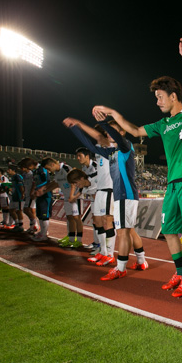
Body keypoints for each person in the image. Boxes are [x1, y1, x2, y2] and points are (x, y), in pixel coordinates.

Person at [92, 35, 182, 298]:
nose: (157, 101)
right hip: (172, 184)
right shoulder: (162, 124)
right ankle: (179, 272)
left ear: (173, 96)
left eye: (160, 97)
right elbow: (133, 129)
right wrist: (111, 113)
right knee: (168, 231)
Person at [63, 117, 147, 281]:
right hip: (122, 195)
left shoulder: (126, 146)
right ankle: (141, 260)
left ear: (121, 132)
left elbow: (111, 135)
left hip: (125, 194)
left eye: (112, 130)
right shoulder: (111, 153)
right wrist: (76, 127)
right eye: (107, 131)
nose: (108, 134)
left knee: (123, 232)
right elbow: (89, 144)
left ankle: (120, 268)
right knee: (128, 230)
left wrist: (103, 123)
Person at [31, 157, 57, 241]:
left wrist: (40, 189)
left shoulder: (42, 170)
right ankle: (42, 232)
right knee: (40, 215)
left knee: (44, 215)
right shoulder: (36, 171)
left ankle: (44, 234)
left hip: (46, 195)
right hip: (39, 194)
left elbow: (47, 181)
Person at [18, 157, 39, 233]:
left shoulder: (32, 174)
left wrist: (32, 192)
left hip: (30, 194)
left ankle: (35, 224)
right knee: (30, 210)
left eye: (22, 167)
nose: (22, 169)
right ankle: (32, 226)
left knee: (26, 209)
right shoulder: (25, 174)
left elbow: (34, 183)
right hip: (27, 193)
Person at [7, 164, 25, 232]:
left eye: (9, 170)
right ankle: (17, 223)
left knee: (18, 211)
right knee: (11, 210)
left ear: (13, 170)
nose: (8, 171)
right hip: (14, 196)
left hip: (18, 196)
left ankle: (20, 226)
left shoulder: (18, 176)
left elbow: (21, 186)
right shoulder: (13, 177)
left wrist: (22, 193)